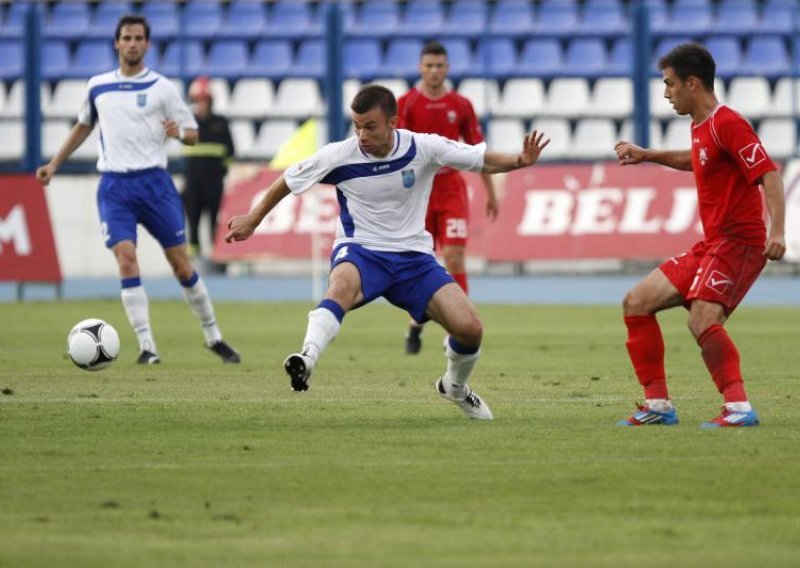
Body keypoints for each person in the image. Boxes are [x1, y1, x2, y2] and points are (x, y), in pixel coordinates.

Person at [225, 85, 549, 420]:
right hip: (362, 251)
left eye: (370, 126)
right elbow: (288, 180)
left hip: (413, 259)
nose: (361, 134)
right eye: (356, 125)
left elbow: (478, 159)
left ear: (392, 122)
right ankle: (307, 358)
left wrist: (519, 160)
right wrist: (253, 218)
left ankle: (454, 386)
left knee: (470, 328)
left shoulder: (422, 147)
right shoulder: (339, 155)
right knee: (341, 287)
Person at [36, 15, 240, 365]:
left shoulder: (162, 88)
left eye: (138, 38)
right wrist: (54, 164)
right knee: (126, 260)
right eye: (126, 38)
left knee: (181, 266)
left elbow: (192, 133)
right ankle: (148, 347)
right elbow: (84, 126)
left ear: (147, 44)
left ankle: (213, 335)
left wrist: (178, 132)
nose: (132, 43)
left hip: (156, 185)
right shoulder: (98, 86)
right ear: (117, 43)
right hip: (115, 186)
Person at [614, 43, 785, 428]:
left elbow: (769, 174)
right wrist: (649, 155)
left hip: (739, 243)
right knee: (636, 301)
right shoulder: (701, 126)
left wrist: (778, 231)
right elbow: (698, 161)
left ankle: (739, 408)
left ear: (693, 83)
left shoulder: (728, 123)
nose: (665, 93)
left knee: (702, 319)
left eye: (670, 84)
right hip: (712, 244)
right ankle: (657, 406)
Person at [397, 40, 499, 355]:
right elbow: (401, 153)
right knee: (421, 262)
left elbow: (478, 153)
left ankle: (455, 331)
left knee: (454, 258)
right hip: (419, 193)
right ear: (420, 68)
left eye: (439, 65)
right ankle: (416, 324)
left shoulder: (462, 105)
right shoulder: (406, 105)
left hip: (452, 189)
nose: (434, 71)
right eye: (429, 65)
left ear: (447, 68)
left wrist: (491, 193)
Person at [182, 76, 235, 264]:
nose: (201, 105)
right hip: (193, 184)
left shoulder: (221, 123)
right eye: (198, 101)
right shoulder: (187, 124)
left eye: (204, 100)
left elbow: (230, 152)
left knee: (216, 223)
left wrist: (224, 174)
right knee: (193, 223)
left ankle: (217, 259)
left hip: (214, 183)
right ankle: (194, 261)